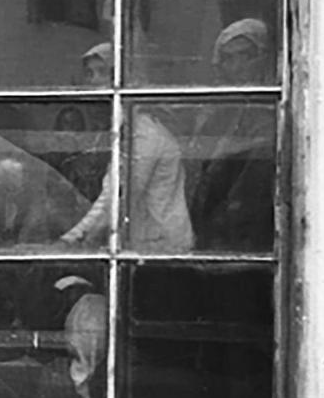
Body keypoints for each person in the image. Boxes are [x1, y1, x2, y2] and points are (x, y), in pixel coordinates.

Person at [58, 43, 194, 253]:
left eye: (103, 73)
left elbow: (117, 198)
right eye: (89, 73)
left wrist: (69, 241)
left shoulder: (143, 133)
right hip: (139, 249)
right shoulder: (113, 131)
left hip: (163, 253)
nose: (94, 81)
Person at [187, 18, 276, 251]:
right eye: (228, 59)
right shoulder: (218, 118)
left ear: (262, 60)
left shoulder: (268, 114)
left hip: (249, 241)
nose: (236, 67)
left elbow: (252, 187)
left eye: (245, 56)